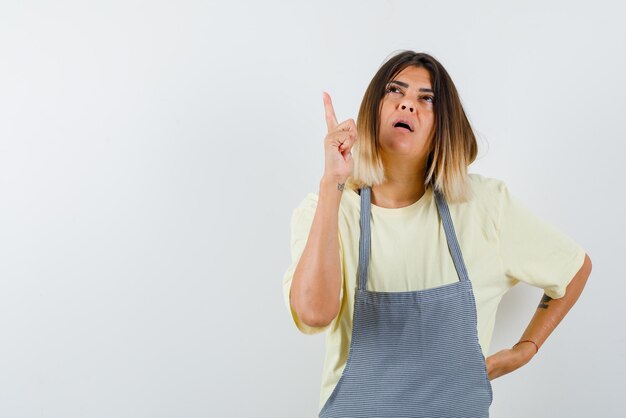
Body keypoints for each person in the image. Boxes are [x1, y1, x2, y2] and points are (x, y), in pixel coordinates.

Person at [282, 50, 592, 417]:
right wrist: (333, 182)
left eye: (425, 99)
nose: (408, 105)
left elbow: (574, 268)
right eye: (395, 91)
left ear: (445, 125)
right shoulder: (326, 211)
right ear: (372, 111)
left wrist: (525, 349)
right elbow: (315, 313)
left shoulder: (484, 206)